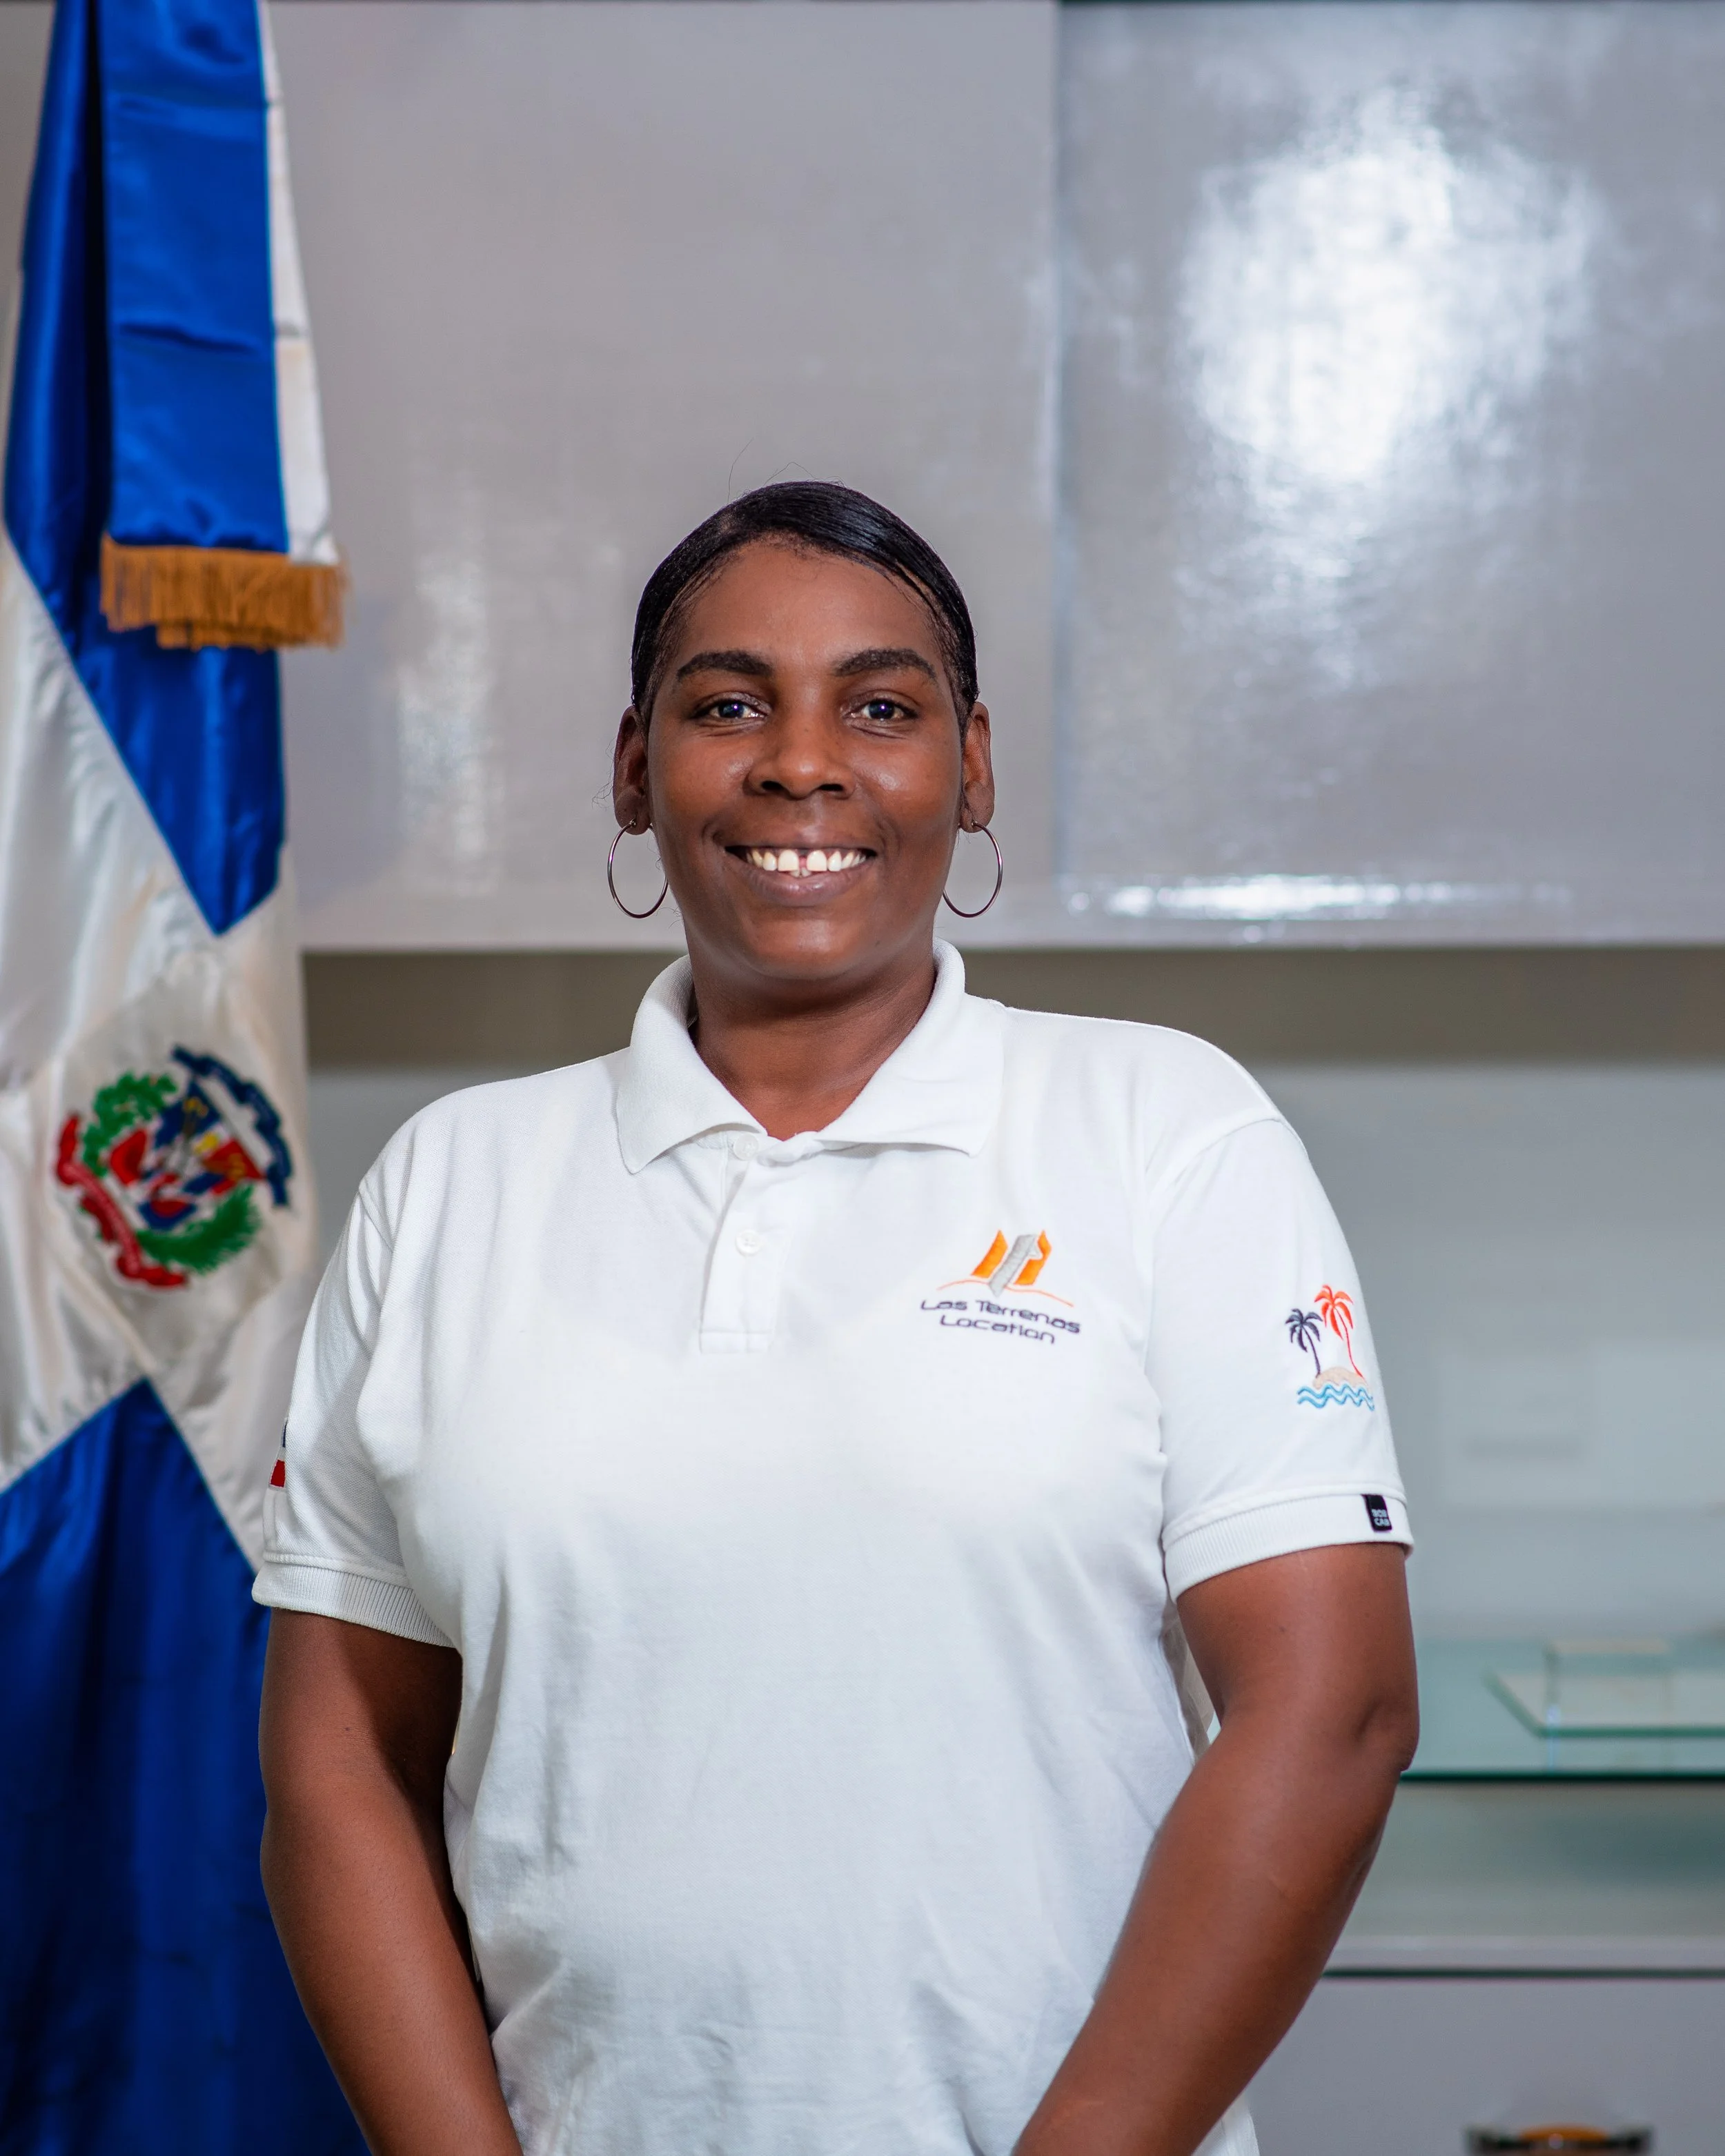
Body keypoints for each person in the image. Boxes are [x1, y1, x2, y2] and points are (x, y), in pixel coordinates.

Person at [256, 482, 1417, 2156]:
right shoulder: (452, 1178)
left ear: (973, 766)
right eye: (727, 703)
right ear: (631, 767)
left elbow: (1334, 1712)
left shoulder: (1167, 1129)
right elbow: (339, 1761)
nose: (803, 762)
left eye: (881, 706)